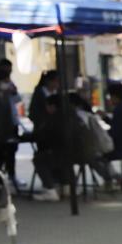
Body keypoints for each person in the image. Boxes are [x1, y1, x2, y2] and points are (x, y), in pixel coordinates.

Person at [28, 71, 69, 201]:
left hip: (53, 138)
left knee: (45, 158)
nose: (57, 84)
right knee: (46, 155)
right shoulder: (39, 93)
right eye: (55, 81)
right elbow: (33, 113)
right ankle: (56, 184)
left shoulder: (58, 95)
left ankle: (54, 184)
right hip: (45, 133)